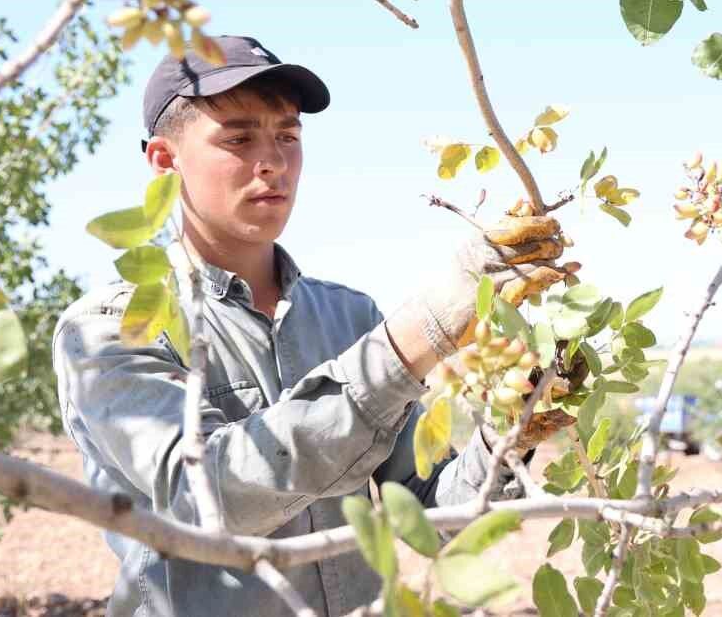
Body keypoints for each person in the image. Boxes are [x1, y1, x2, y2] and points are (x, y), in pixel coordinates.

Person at [53, 35, 573, 616]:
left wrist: (508, 434)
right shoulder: (109, 329)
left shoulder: (349, 316)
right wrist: (420, 332)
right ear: (165, 161)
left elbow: (431, 515)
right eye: (238, 138)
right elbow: (208, 495)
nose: (272, 161)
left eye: (288, 136)